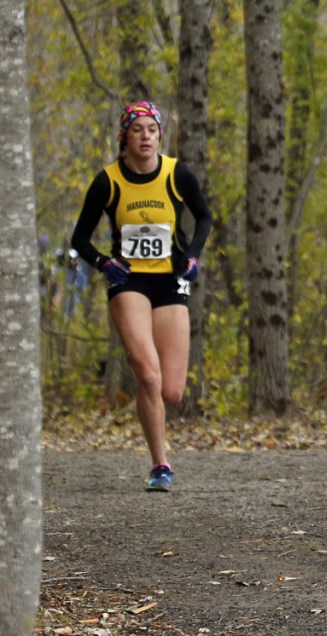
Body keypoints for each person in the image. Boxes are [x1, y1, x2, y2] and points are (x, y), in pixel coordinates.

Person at [72, 100, 213, 492]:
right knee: (147, 376)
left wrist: (194, 253)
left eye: (152, 130)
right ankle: (160, 464)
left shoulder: (176, 173)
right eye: (138, 130)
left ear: (160, 136)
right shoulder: (108, 181)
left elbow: (204, 216)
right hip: (128, 281)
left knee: (172, 390)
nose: (146, 137)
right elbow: (79, 238)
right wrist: (103, 263)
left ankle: (159, 450)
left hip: (170, 280)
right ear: (124, 138)